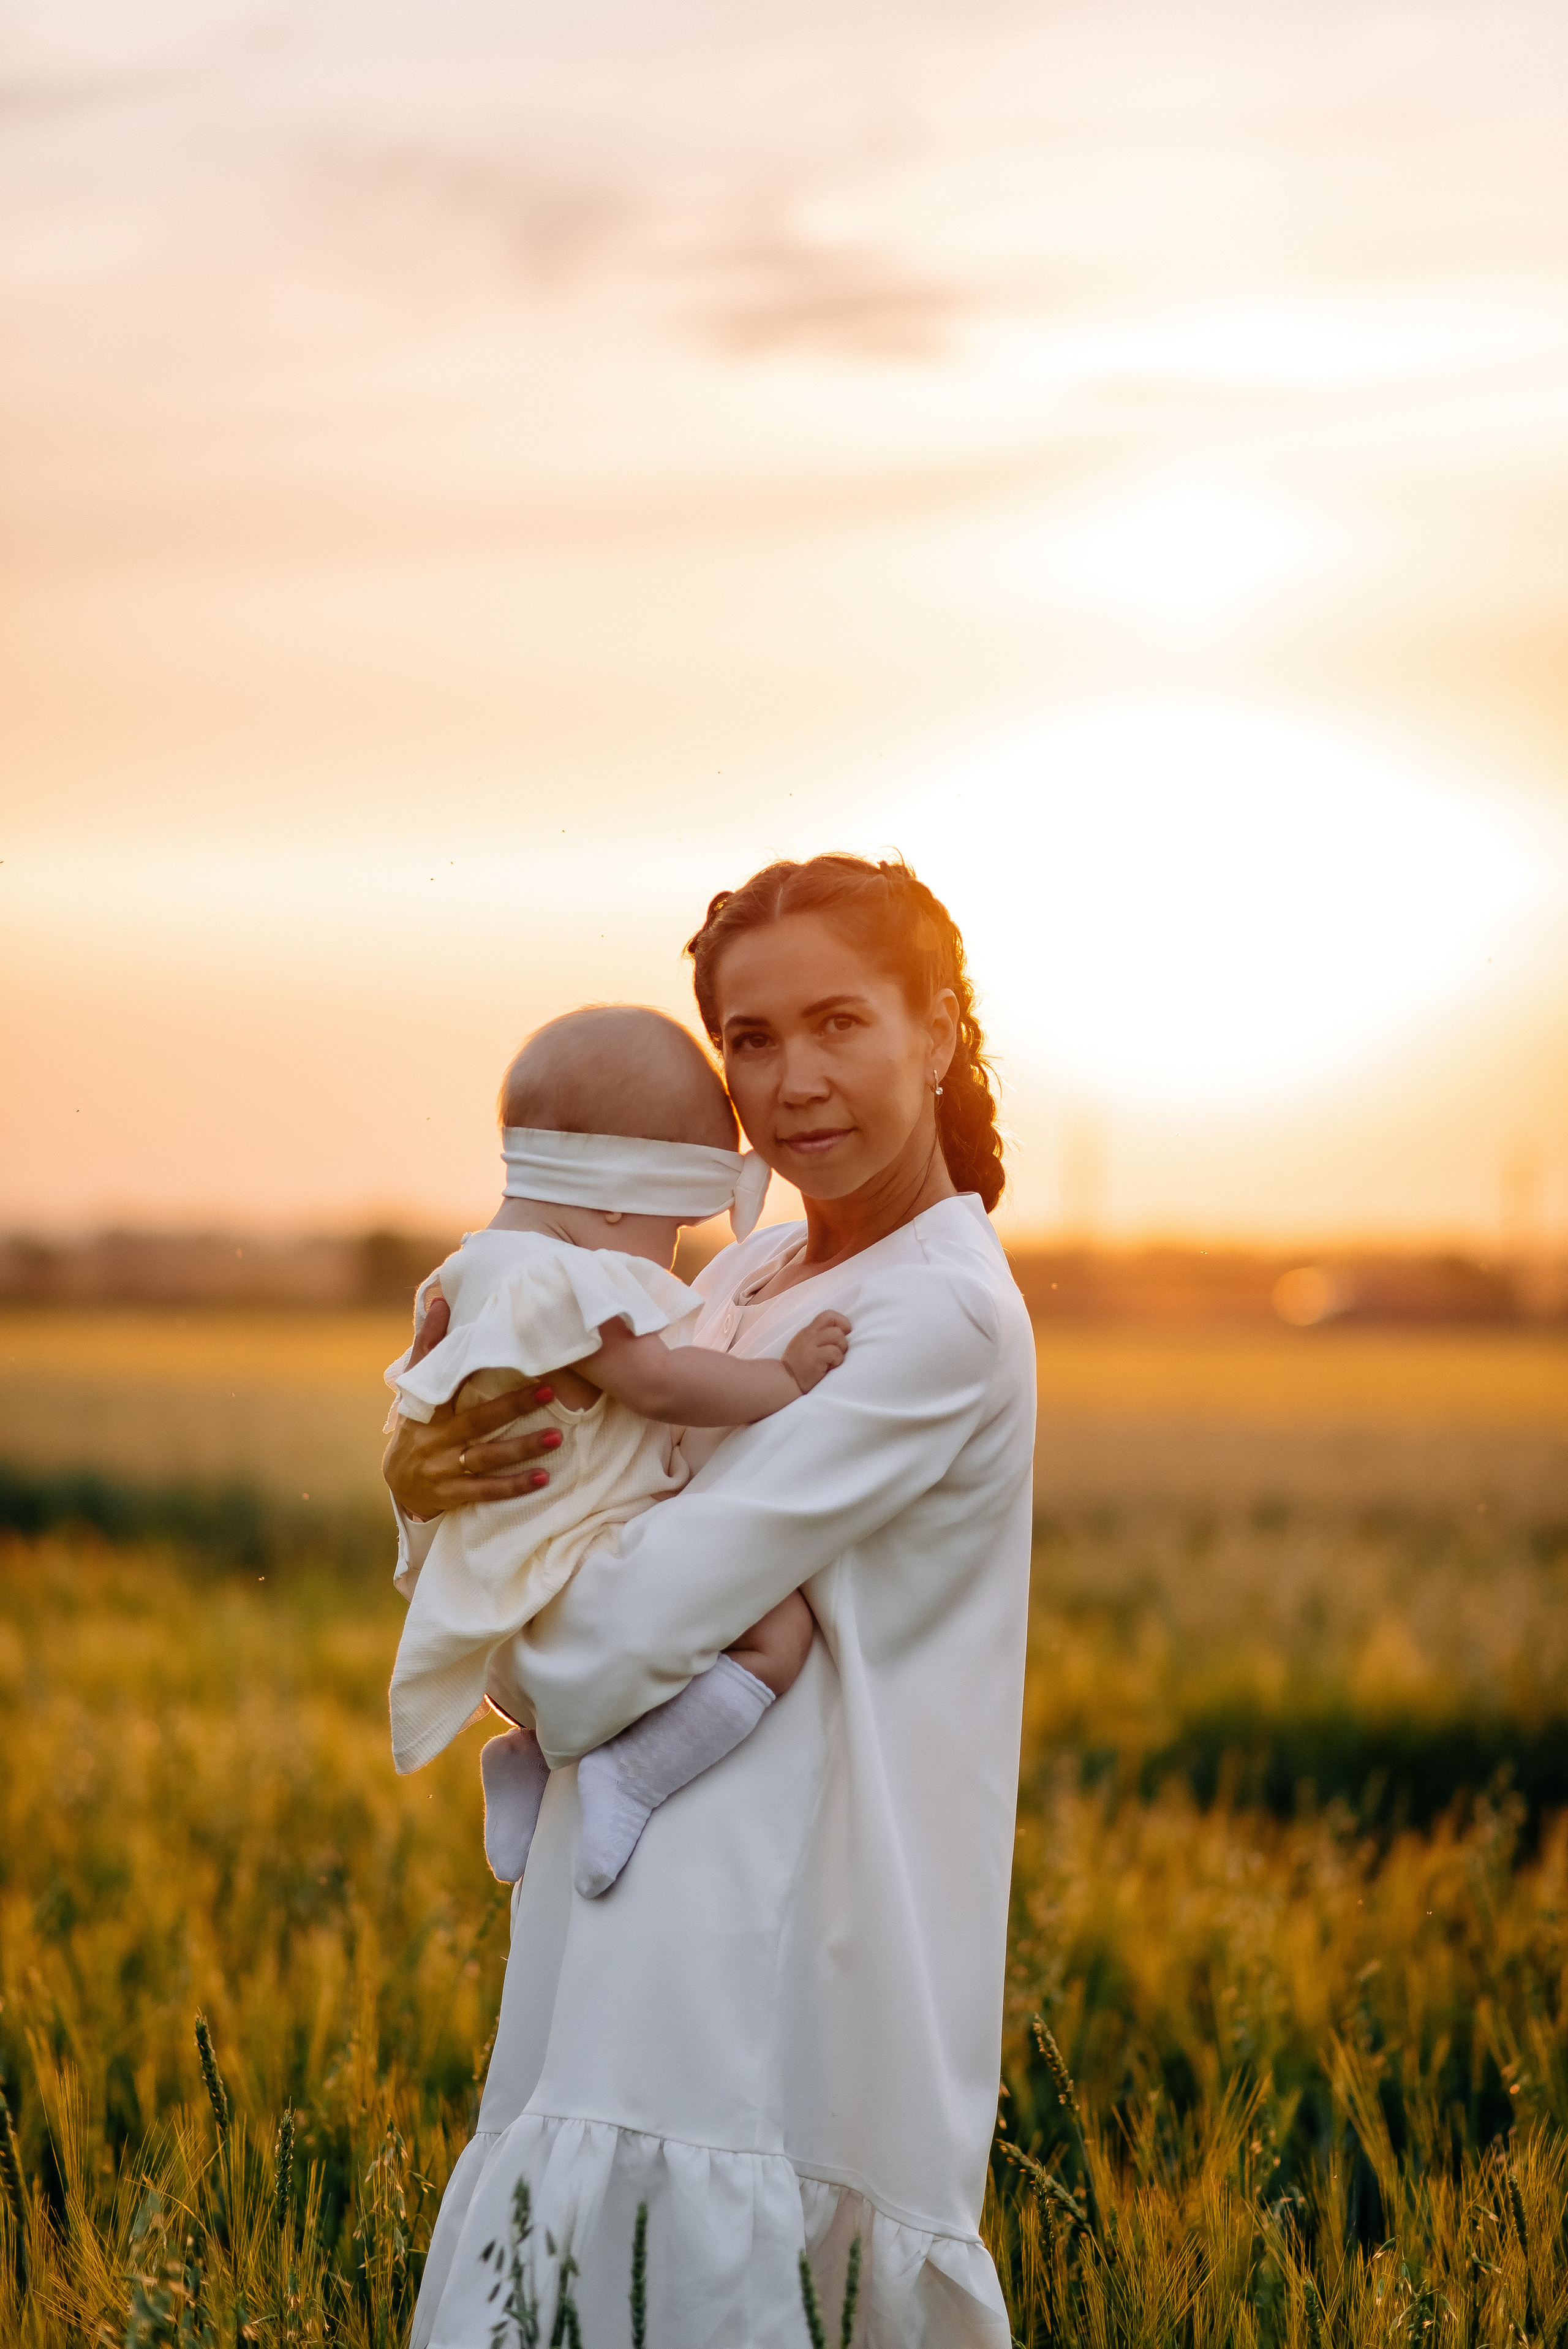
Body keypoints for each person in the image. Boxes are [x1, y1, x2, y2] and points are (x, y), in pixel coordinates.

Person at [383, 855, 1036, 2348]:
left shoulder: (930, 1313)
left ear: (937, 1030)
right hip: (620, 1939)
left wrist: (491, 1611)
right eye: (750, 1039)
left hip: (761, 1970)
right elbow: (569, 1541)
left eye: (838, 1023)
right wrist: (430, 1487)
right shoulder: (742, 1276)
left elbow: (586, 1652)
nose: (793, 1080)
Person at [385, 1003, 847, 1897]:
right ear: (611, 1199)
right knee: (781, 1631)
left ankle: (525, 1750)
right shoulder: (567, 1283)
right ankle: (633, 1771)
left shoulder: (470, 1272)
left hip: (502, 1585)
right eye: (669, 1229)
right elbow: (663, 1382)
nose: (667, 1261)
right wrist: (785, 1377)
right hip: (581, 1565)